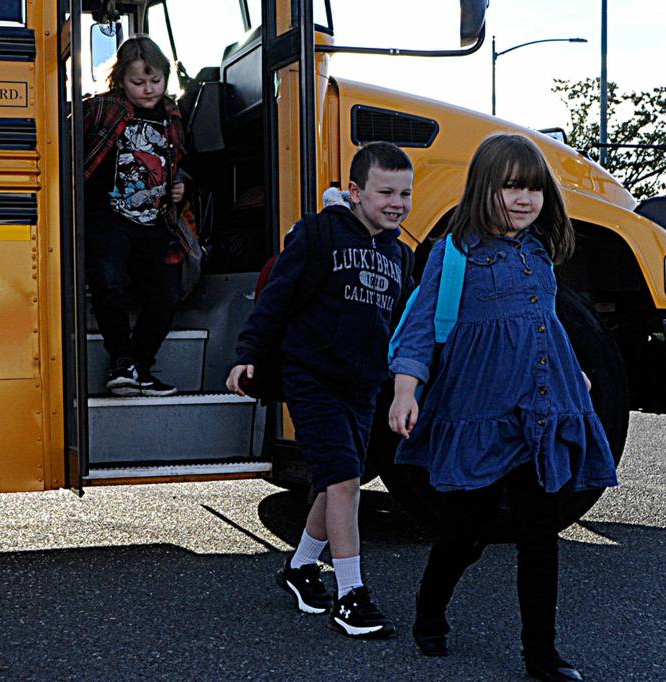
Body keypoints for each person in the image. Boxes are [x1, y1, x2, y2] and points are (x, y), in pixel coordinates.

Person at [388, 133, 618, 680]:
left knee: (540, 537)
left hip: (540, 415)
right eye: (512, 186)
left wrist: (570, 368)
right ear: (484, 189)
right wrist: (404, 390)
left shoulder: (539, 253)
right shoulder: (454, 255)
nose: (524, 198)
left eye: (534, 188)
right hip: (480, 417)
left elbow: (544, 321)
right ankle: (431, 608)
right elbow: (418, 331)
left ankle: (541, 655)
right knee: (466, 534)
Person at [226, 142, 415, 639]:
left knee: (338, 479)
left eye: (405, 193)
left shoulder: (401, 255)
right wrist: (248, 353)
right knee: (345, 482)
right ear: (355, 193)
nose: (396, 203)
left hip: (363, 387)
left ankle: (301, 568)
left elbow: (401, 326)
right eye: (385, 192)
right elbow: (275, 300)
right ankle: (351, 596)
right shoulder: (317, 235)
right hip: (312, 378)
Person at [82, 36, 187, 397]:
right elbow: (69, 147)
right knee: (110, 282)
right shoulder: (102, 109)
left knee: (166, 293)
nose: (147, 90)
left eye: (154, 81)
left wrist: (180, 187)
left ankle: (138, 366)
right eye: (137, 83)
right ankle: (120, 360)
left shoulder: (172, 115)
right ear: (120, 80)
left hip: (155, 219)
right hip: (109, 215)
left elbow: (180, 163)